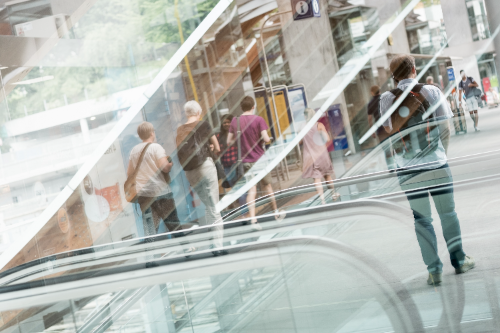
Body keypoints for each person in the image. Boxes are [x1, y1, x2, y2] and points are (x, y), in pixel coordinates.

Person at [380, 54, 475, 286]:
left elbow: (388, 131)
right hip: (436, 163)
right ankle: (459, 260)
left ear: (393, 76)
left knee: (422, 220)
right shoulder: (431, 91)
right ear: (414, 69)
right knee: (448, 214)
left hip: (408, 169)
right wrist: (442, 155)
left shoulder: (385, 98)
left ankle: (434, 270)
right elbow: (445, 127)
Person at [176, 100, 224, 253]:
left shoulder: (180, 130)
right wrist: (209, 147)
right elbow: (217, 147)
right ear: (198, 113)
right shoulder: (203, 124)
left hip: (190, 172)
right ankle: (217, 248)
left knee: (208, 207)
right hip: (205, 167)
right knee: (214, 208)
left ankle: (212, 243)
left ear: (186, 113)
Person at [227, 96, 278, 229]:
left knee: (252, 190)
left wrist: (240, 141)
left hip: (245, 161)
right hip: (260, 159)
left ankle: (254, 220)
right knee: (267, 187)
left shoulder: (235, 121)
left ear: (241, 108)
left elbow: (229, 142)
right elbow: (266, 139)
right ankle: (276, 213)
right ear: (253, 107)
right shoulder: (259, 120)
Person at [127, 122, 180, 236]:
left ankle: (151, 252)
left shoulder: (134, 151)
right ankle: (187, 248)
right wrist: (170, 164)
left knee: (150, 229)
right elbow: (165, 168)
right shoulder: (156, 147)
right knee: (173, 223)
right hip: (161, 193)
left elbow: (129, 173)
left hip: (144, 195)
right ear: (152, 133)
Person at [301, 108, 339, 204]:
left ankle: (322, 200)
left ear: (305, 116)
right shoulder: (319, 125)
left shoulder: (303, 127)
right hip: (322, 154)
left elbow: (300, 142)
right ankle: (333, 194)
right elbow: (327, 139)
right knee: (327, 176)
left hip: (311, 157)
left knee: (317, 179)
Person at [216, 114, 238, 188]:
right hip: (226, 166)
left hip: (237, 164)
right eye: (224, 123)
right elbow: (217, 152)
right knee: (233, 187)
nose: (226, 124)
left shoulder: (236, 134)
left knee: (239, 186)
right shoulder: (219, 136)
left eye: (228, 122)